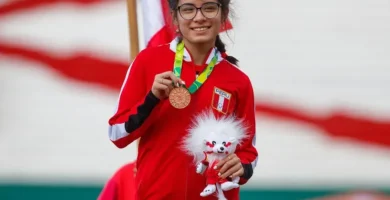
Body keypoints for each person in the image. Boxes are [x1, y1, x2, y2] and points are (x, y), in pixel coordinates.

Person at [107, 0, 258, 199]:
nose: (199, 17)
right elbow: (117, 134)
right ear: (175, 17)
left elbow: (248, 152)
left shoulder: (238, 81)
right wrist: (151, 100)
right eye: (188, 9)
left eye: (209, 7)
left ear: (223, 14)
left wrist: (242, 165)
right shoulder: (147, 62)